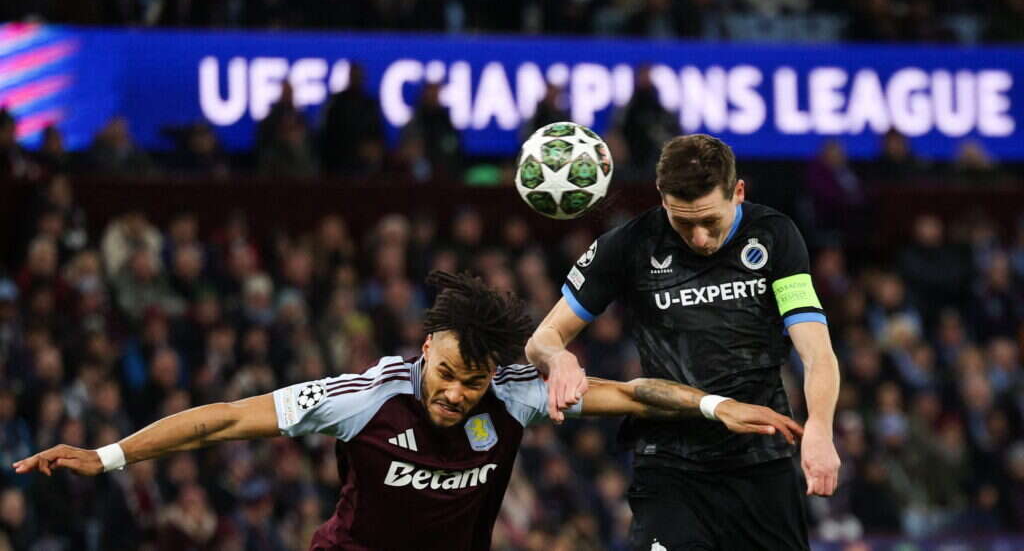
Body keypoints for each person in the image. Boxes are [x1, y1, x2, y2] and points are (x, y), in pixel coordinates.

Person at [14, 271, 799, 551]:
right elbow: (223, 418)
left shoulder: (513, 391)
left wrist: (714, 403)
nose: (458, 394)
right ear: (426, 348)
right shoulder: (361, 401)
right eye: (449, 374)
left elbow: (627, 393)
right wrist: (108, 455)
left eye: (473, 381)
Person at [527, 134, 841, 550]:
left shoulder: (774, 237)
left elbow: (816, 352)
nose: (698, 238)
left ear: (738, 193)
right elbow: (541, 340)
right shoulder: (629, 245)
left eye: (710, 222)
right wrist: (559, 357)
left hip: (761, 461)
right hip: (671, 465)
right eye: (682, 222)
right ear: (661, 198)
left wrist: (820, 427)